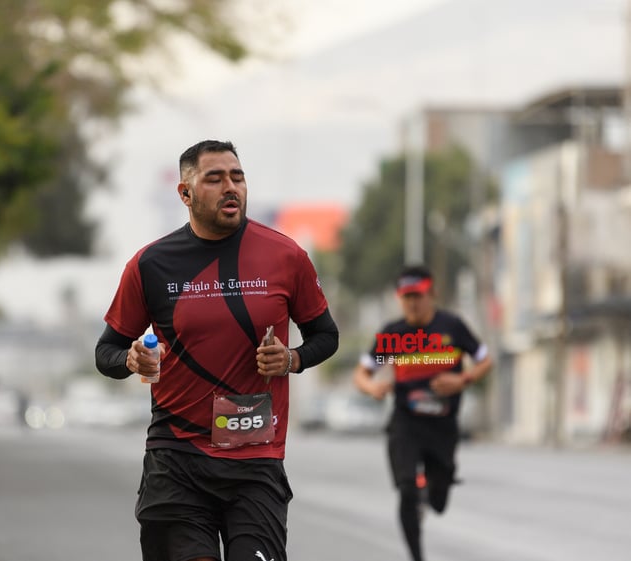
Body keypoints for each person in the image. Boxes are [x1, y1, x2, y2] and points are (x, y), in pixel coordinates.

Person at [95, 139, 339, 561]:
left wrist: (293, 358)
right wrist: (130, 358)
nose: (231, 187)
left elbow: (326, 335)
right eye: (215, 178)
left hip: (255, 460)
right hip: (177, 458)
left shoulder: (286, 255)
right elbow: (107, 351)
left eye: (237, 177)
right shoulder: (150, 265)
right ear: (185, 193)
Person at [353, 264, 493, 561]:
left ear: (432, 294)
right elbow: (362, 373)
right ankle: (416, 556)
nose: (412, 303)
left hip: (443, 425)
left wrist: (462, 379)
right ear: (399, 299)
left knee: (439, 502)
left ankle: (431, 492)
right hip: (406, 423)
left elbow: (484, 360)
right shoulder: (392, 334)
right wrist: (372, 387)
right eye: (406, 297)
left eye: (418, 296)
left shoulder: (452, 327)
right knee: (406, 488)